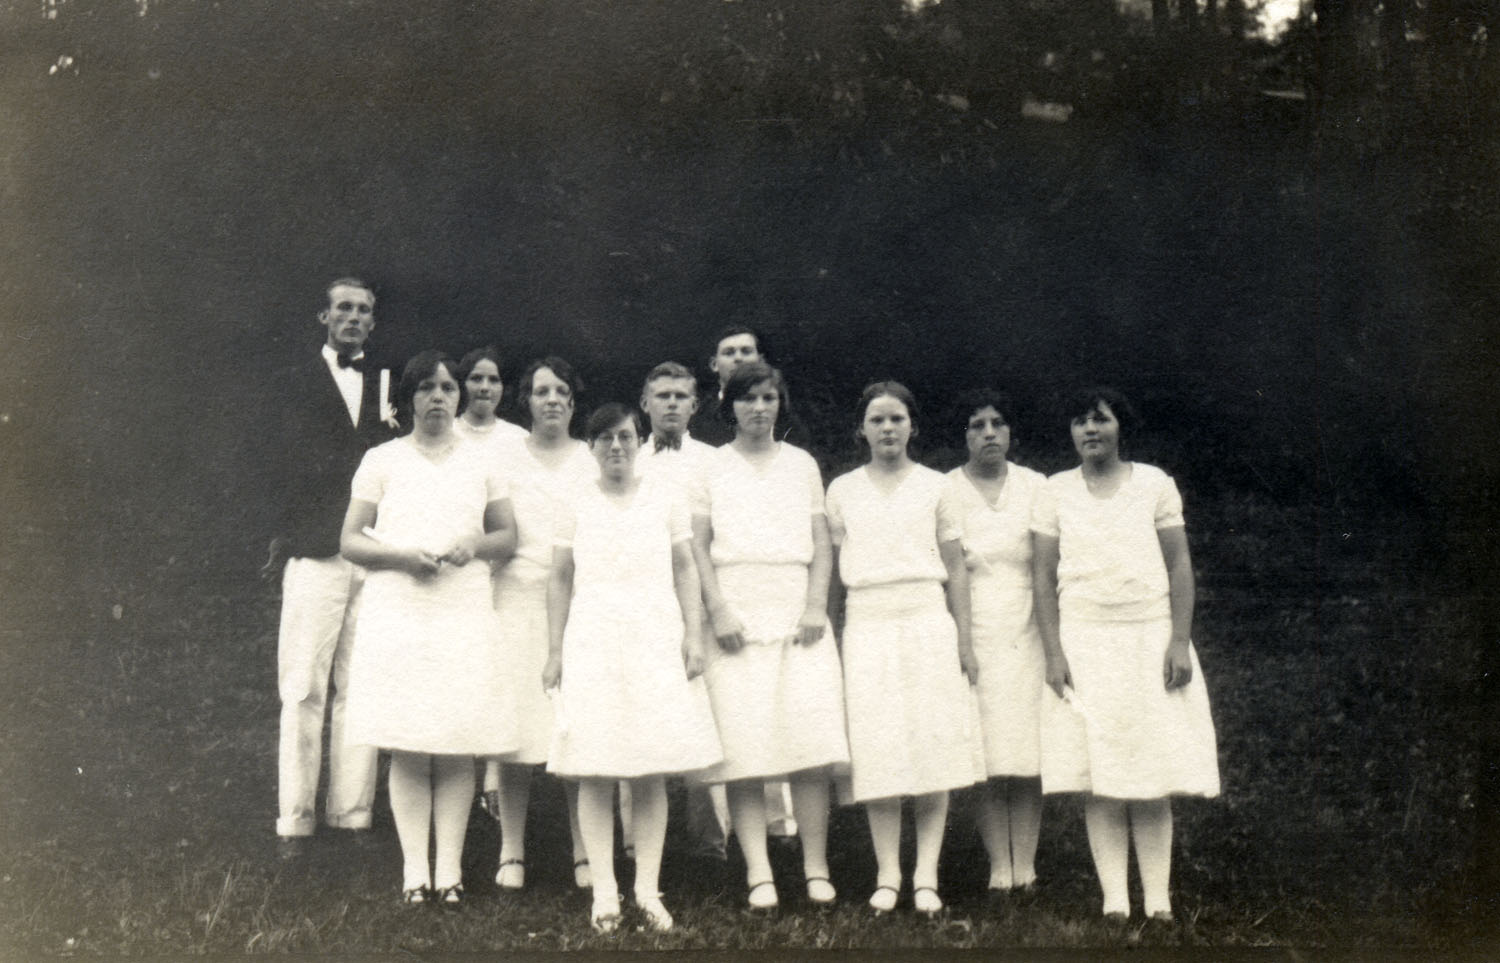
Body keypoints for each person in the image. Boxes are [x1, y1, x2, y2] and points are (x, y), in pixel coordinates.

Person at [1030, 387, 1219, 922]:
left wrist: (1178, 640)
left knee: (1151, 771)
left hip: (1147, 639)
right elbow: (1042, 576)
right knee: (1101, 774)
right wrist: (1054, 652)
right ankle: (1114, 897)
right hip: (1086, 642)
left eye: (1101, 419)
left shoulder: (1154, 483)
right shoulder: (1054, 491)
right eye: (1080, 421)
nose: (1090, 430)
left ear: (1120, 427)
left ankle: (1157, 899)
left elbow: (1179, 566)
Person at [338, 350, 521, 905]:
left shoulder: (483, 461)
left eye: (446, 388)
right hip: (401, 607)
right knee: (411, 740)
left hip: (461, 606)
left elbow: (507, 537)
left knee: (457, 739)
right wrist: (400, 558)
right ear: (408, 398)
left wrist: (473, 545)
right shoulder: (381, 459)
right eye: (425, 388)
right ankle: (415, 872)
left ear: (459, 397)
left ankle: (450, 871)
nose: (438, 397)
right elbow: (350, 540)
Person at [544, 403, 723, 933]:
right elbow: (559, 577)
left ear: (638, 441)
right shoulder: (573, 501)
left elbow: (686, 566)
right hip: (593, 640)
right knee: (595, 768)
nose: (616, 447)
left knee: (650, 768)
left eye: (625, 436)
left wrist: (693, 635)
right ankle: (604, 892)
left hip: (654, 638)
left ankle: (647, 888)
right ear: (591, 447)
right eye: (605, 439)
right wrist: (555, 651)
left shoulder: (665, 498)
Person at [690, 362, 849, 911]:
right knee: (745, 748)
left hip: (797, 613)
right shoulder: (712, 467)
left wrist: (815, 605)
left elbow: (821, 543)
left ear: (781, 404)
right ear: (729, 406)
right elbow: (698, 546)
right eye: (748, 398)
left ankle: (815, 866)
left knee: (809, 746)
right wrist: (718, 611)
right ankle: (758, 870)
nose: (759, 408)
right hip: (735, 612)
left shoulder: (801, 464)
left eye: (768, 398)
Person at [826, 381, 984, 917]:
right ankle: (888, 872)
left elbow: (956, 568)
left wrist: (963, 640)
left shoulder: (938, 487)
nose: (888, 428)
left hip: (926, 621)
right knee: (879, 747)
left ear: (913, 426)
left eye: (897, 418)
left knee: (931, 745)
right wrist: (832, 638)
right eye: (877, 420)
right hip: (868, 625)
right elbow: (834, 577)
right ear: (861, 429)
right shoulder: (843, 489)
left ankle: (927, 874)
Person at [265, 277, 393, 857]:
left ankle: (352, 813)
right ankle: (295, 819)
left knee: (360, 685)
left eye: (363, 310)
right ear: (324, 316)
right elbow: (272, 465)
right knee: (303, 684)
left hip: (372, 551)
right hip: (315, 551)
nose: (353, 317)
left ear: (373, 322)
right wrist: (290, 530)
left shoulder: (386, 383)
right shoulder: (292, 382)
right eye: (344, 307)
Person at [475, 357, 595, 892]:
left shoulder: (591, 459)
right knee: (517, 730)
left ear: (572, 401)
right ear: (526, 400)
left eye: (560, 390)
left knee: (575, 725)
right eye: (541, 390)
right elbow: (489, 527)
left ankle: (585, 849)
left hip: (577, 603)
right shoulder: (502, 458)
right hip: (516, 600)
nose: (551, 399)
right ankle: (511, 849)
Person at [942, 390, 1048, 897]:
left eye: (997, 424)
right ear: (964, 436)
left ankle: (1025, 863)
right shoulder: (946, 489)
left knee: (1025, 752)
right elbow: (948, 570)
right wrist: (961, 639)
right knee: (985, 753)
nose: (988, 433)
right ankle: (998, 865)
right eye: (977, 425)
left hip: (1028, 626)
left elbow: (1048, 565)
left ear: (1010, 433)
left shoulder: (1036, 486)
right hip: (972, 625)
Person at [632, 361, 732, 863]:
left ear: (695, 405)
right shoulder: (627, 458)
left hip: (702, 596)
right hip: (644, 597)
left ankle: (712, 837)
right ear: (644, 403)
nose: (671, 403)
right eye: (662, 395)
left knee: (706, 707)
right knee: (636, 707)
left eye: (680, 396)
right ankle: (634, 839)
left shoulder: (715, 462)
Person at [686, 326, 811, 451]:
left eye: (746, 351)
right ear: (714, 364)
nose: (738, 358)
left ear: (761, 360)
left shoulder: (787, 420)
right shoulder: (696, 419)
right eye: (729, 353)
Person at [454, 345, 528, 447]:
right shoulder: (446, 431)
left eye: (493, 380)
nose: (485, 387)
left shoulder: (519, 437)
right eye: (476, 378)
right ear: (462, 384)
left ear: (503, 388)